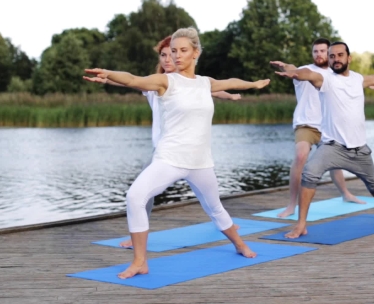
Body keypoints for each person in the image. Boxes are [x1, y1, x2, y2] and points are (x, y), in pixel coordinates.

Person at [84, 27, 270, 279]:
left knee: (215, 208)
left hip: (201, 162)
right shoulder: (166, 81)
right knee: (135, 196)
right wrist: (108, 74)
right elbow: (132, 79)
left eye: (183, 51)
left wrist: (254, 84)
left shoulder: (205, 83)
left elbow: (231, 82)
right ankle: (140, 261)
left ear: (196, 53)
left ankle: (240, 244)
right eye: (173, 51)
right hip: (170, 159)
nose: (176, 56)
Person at [96, 36, 241, 247]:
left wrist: (231, 96)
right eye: (162, 55)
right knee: (141, 195)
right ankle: (136, 236)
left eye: (170, 54)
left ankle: (224, 224)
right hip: (162, 151)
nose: (167, 59)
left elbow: (213, 88)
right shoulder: (156, 82)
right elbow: (131, 81)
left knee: (209, 198)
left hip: (185, 152)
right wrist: (106, 78)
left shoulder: (189, 82)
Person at [272, 41, 374, 239]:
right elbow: (308, 75)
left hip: (359, 149)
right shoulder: (326, 79)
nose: (336, 59)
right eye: (332, 56)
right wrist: (294, 73)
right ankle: (301, 224)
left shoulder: (357, 79)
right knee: (309, 174)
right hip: (332, 147)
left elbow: (373, 78)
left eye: (339, 55)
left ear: (348, 58)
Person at [270, 38, 366, 219]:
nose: (319, 54)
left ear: (329, 54)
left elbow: (353, 83)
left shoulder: (335, 74)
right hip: (305, 123)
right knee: (300, 156)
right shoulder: (307, 70)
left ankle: (346, 193)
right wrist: (287, 68)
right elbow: (295, 70)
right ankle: (292, 205)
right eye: (316, 51)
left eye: (323, 51)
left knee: (334, 162)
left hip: (328, 125)